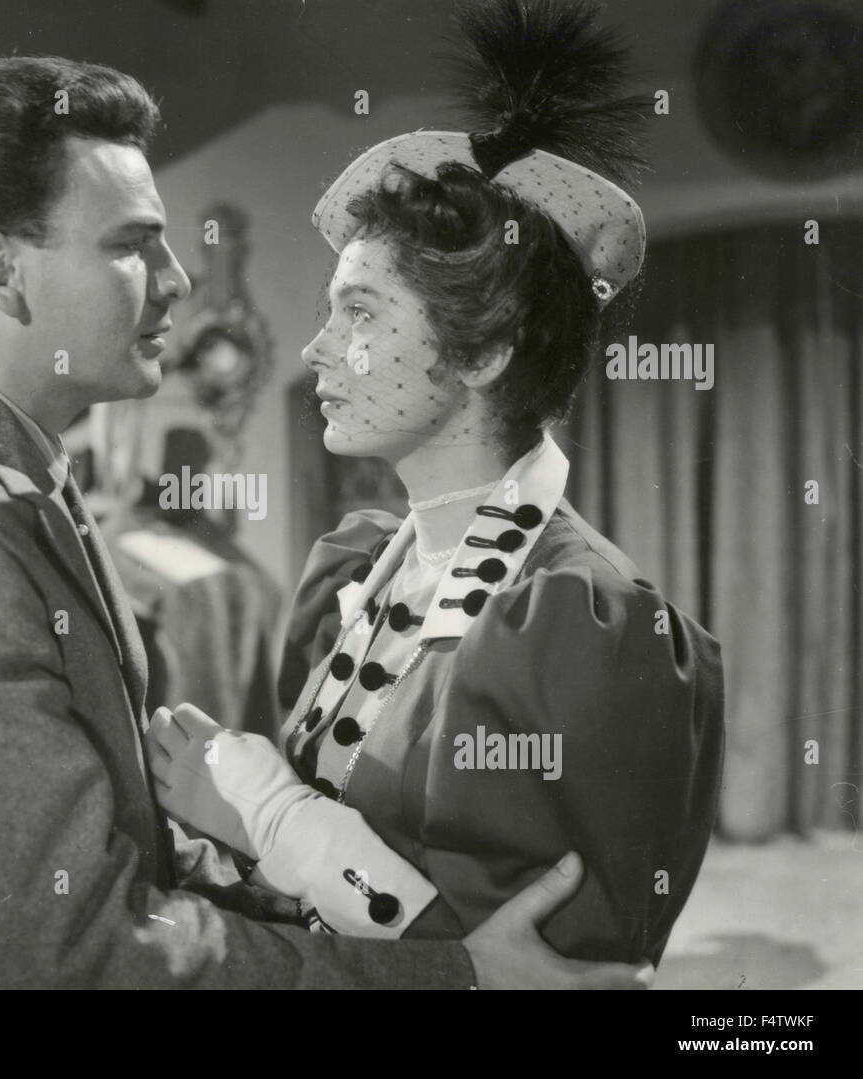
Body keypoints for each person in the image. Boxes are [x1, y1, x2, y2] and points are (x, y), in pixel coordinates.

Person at [0, 53, 652, 988]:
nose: (176, 279)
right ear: (2, 271)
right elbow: (92, 953)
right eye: (132, 244)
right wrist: (455, 976)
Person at [148, 0, 724, 961]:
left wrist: (268, 811)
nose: (317, 349)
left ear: (489, 348)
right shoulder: (360, 567)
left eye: (361, 313)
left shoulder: (587, 624)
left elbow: (533, 970)